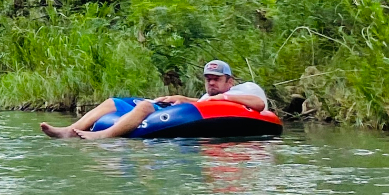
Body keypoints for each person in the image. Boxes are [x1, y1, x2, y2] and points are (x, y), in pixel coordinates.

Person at [41, 60, 269, 139]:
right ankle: (69, 130)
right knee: (112, 102)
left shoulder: (239, 92)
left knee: (145, 106)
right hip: (187, 112)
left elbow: (259, 105)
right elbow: (201, 104)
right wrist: (181, 98)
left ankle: (102, 136)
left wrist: (221, 97)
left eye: (216, 79)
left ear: (229, 81)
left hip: (192, 117)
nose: (211, 83)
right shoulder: (206, 97)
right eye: (208, 79)